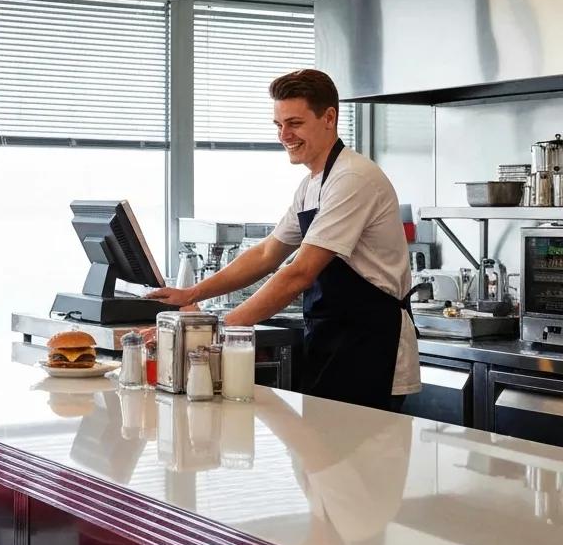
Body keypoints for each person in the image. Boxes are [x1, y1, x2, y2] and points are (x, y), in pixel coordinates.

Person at [148, 69, 420, 411]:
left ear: (329, 118)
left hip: (370, 345)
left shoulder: (353, 178)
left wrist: (214, 330)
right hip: (331, 340)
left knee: (361, 462)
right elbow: (266, 254)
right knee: (321, 460)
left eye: (294, 123)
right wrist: (193, 294)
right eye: (278, 125)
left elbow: (299, 273)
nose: (284, 135)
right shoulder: (312, 185)